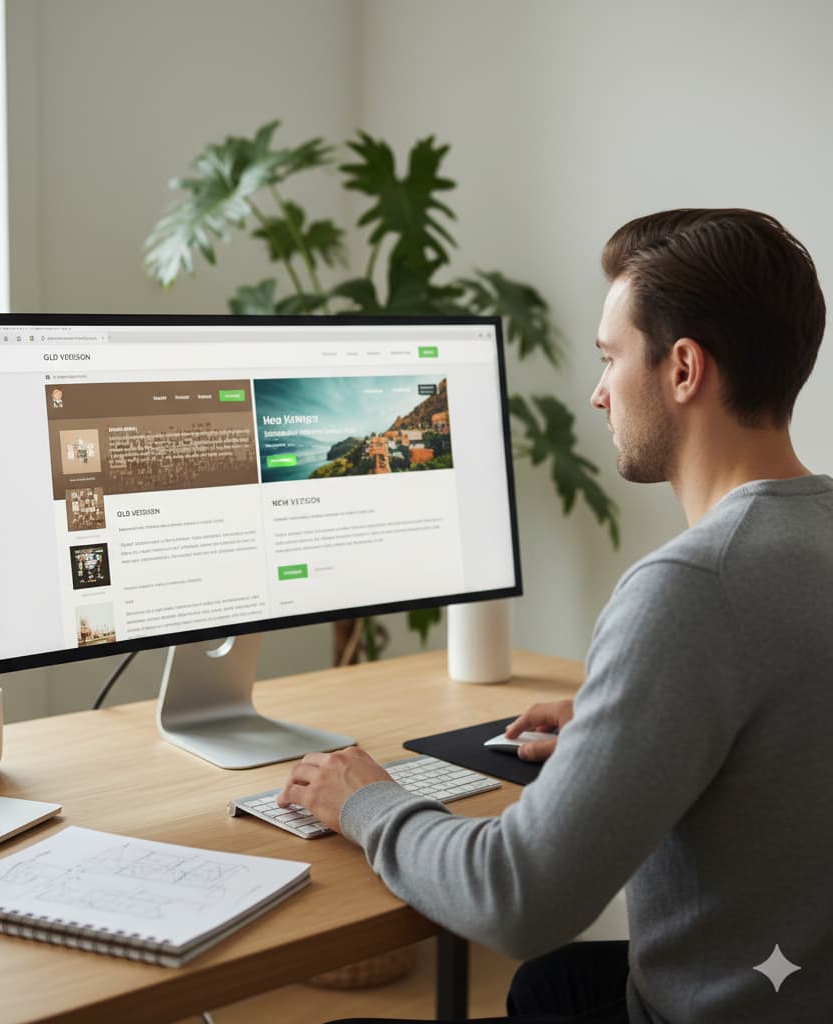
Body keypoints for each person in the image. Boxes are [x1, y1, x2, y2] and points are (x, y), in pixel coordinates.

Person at [278, 209, 833, 1023]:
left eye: (611, 358)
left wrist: (365, 800)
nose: (599, 393)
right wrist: (634, 724)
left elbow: (519, 900)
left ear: (683, 370)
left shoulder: (692, 585)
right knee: (554, 990)